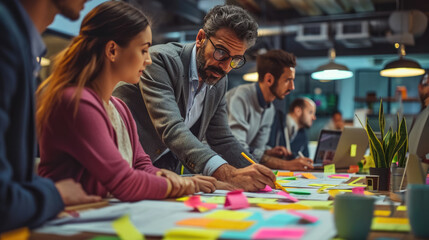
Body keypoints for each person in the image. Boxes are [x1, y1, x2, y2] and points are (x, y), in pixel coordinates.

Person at [36, 1, 217, 203]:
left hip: (99, 213)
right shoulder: (77, 101)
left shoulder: (119, 107)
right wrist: (184, 184)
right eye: (143, 50)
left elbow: (142, 165)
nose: (148, 60)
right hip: (65, 221)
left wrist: (174, 179)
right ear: (112, 50)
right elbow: (124, 182)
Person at [113, 5, 276, 191]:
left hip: (157, 170)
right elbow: (171, 128)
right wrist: (229, 174)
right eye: (221, 52)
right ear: (200, 39)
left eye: (235, 59)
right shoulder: (160, 61)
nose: (225, 67)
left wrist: (256, 172)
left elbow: (222, 138)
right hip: (120, 163)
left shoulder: (219, 81)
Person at [0, 0, 102, 233]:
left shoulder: (19, 41)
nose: (147, 60)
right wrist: (55, 193)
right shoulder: (6, 37)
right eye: (143, 49)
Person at [226, 50, 313, 171]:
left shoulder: (270, 109)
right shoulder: (241, 97)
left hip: (239, 168)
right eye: (288, 80)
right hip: (215, 168)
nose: (292, 87)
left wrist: (268, 151)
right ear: (269, 79)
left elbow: (255, 149)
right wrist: (286, 165)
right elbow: (237, 149)